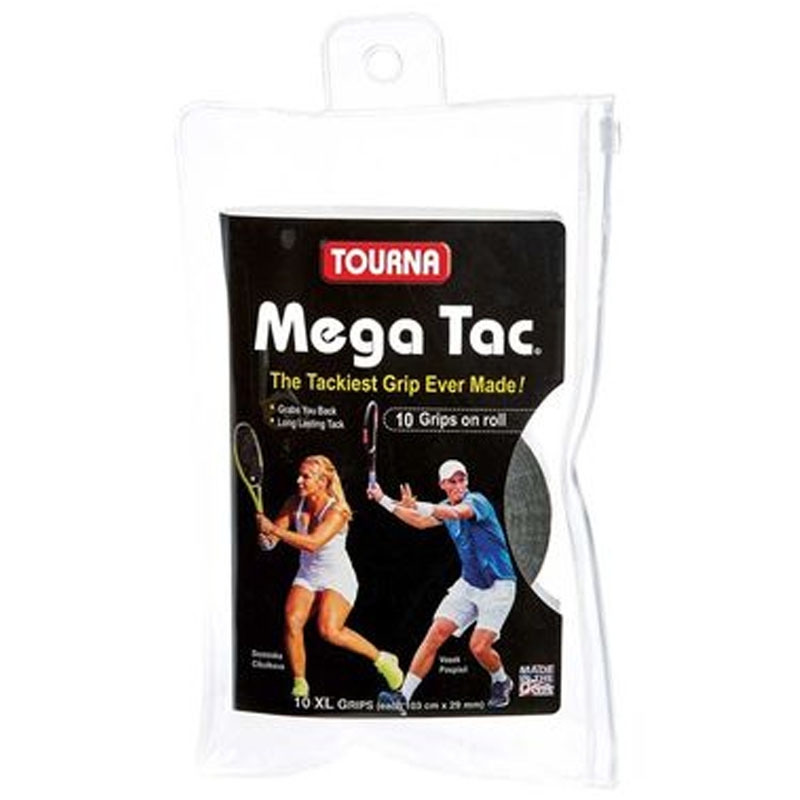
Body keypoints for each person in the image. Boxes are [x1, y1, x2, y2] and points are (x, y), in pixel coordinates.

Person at [368, 459, 517, 711]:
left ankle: (501, 681)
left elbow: (456, 513)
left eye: (462, 479)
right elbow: (419, 520)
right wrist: (383, 499)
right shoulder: (444, 507)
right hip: (469, 584)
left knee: (478, 647)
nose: (458, 485)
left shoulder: (476, 501)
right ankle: (403, 698)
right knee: (435, 634)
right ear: (442, 485)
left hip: (499, 586)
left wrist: (418, 505)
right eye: (452, 481)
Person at [256, 454, 403, 699]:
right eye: (299, 474)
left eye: (306, 476)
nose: (299, 480)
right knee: (292, 621)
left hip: (338, 577)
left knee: (329, 630)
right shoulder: (294, 502)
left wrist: (272, 529)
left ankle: (383, 659)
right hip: (307, 575)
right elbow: (274, 538)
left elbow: (313, 543)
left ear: (322, 481)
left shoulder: (337, 511)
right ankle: (300, 685)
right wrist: (267, 540)